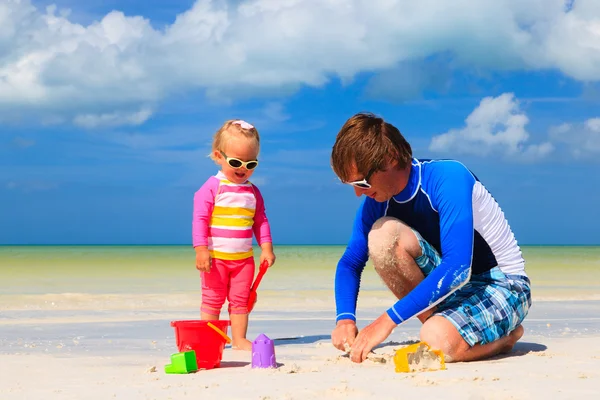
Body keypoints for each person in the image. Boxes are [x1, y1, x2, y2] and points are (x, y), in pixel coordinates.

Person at [330, 112, 531, 363]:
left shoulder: (447, 177)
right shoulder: (378, 201)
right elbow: (350, 262)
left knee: (436, 342)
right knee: (383, 235)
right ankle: (442, 325)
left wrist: (386, 321)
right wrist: (345, 319)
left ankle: (503, 340)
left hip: (503, 283)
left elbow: (457, 267)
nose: (359, 194)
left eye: (361, 182)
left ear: (390, 159)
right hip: (452, 287)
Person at [192, 119, 276, 351]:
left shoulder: (252, 192)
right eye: (237, 162)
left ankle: (239, 339)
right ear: (219, 157)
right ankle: (210, 339)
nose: (243, 169)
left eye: (251, 164)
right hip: (215, 258)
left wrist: (266, 248)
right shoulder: (211, 187)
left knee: (240, 301)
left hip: (243, 261)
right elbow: (200, 220)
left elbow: (260, 221)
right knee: (213, 300)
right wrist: (201, 250)